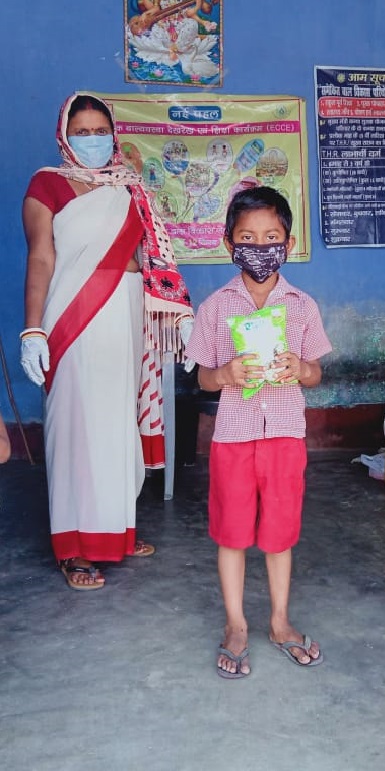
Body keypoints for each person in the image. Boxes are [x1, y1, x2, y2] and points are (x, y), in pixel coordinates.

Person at [21, 93, 193, 591]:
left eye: (101, 131)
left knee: (118, 424)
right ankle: (74, 548)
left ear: (113, 134)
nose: (92, 140)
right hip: (73, 320)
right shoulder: (47, 184)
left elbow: (155, 257)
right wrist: (33, 329)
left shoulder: (130, 186)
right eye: (82, 131)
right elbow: (41, 258)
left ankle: (116, 531)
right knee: (78, 427)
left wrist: (179, 314)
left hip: (126, 317)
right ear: (65, 135)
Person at [184, 187, 331, 678]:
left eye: (271, 237)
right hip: (233, 436)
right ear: (230, 244)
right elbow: (203, 377)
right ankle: (236, 624)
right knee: (232, 533)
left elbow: (316, 373)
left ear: (289, 244)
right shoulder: (215, 307)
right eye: (247, 238)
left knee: (280, 533)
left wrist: (300, 368)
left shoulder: (302, 306)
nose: (260, 247)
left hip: (285, 433)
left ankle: (280, 621)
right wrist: (225, 373)